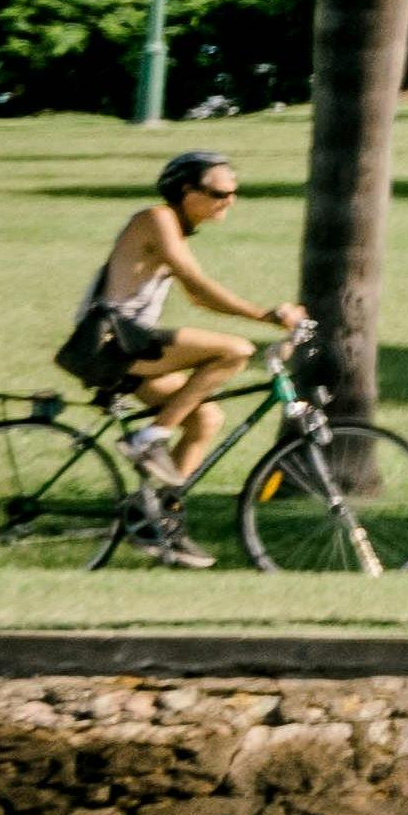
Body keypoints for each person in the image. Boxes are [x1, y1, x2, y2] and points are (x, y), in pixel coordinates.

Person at [65, 147, 301, 546]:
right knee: (235, 351)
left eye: (233, 193)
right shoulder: (156, 218)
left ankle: (154, 521)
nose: (230, 201)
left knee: (206, 419)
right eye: (220, 194)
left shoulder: (173, 228)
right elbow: (196, 284)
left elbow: (198, 298)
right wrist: (265, 315)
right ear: (187, 191)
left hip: (128, 344)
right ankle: (150, 439)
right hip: (110, 341)